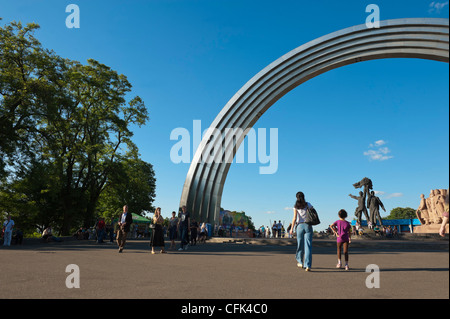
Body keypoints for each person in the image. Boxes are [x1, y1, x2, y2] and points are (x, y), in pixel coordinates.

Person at [289, 192, 314, 271]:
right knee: (308, 246)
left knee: (300, 245)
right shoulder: (308, 204)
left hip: (299, 226)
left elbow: (294, 218)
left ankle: (300, 261)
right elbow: (313, 213)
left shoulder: (296, 206)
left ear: (296, 198)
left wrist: (291, 228)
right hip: (308, 225)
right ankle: (308, 265)